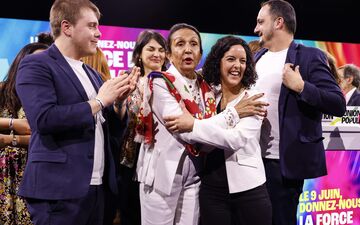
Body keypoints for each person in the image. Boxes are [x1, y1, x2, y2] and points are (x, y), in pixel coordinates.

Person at [15, 0, 139, 224]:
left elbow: (108, 128)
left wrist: (119, 104)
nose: (99, 33)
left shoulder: (92, 73)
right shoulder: (36, 65)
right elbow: (44, 119)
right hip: (59, 192)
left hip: (98, 190)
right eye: (91, 26)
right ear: (67, 27)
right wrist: (101, 100)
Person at [135, 23, 267, 225]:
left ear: (200, 53)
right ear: (169, 54)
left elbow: (195, 125)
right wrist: (234, 113)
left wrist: (201, 121)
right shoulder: (160, 82)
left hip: (196, 177)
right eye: (180, 44)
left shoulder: (206, 86)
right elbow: (183, 129)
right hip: (162, 176)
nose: (188, 49)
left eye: (193, 44)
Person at [253, 0, 346, 224]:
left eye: (260, 22)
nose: (255, 28)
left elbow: (337, 104)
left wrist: (301, 86)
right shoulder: (257, 58)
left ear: (278, 22)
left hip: (282, 165)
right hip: (251, 160)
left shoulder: (309, 56)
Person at [117, 30, 168, 225]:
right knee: (131, 210)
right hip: (132, 154)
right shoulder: (127, 80)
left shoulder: (172, 82)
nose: (157, 54)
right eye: (151, 49)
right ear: (139, 53)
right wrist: (120, 101)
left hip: (161, 155)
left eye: (161, 50)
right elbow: (118, 117)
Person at [0, 42, 49, 225]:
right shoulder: (3, 90)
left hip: (36, 170)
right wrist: (13, 123)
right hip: (5, 173)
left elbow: (45, 136)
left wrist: (9, 139)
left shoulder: (50, 96)